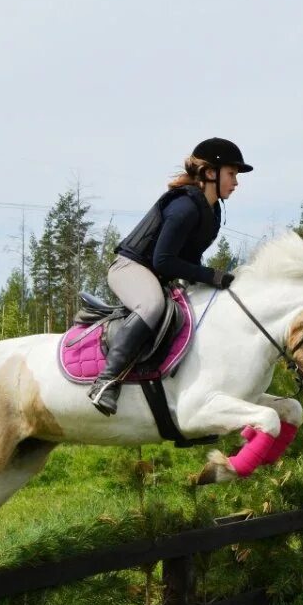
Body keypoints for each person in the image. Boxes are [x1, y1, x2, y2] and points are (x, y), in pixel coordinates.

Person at [88, 137, 253, 415]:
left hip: (156, 274)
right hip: (130, 268)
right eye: (232, 174)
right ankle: (106, 381)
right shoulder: (185, 207)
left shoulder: (210, 211)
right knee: (152, 305)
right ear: (211, 173)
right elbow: (163, 260)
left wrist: (212, 282)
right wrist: (211, 276)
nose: (236, 182)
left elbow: (187, 260)